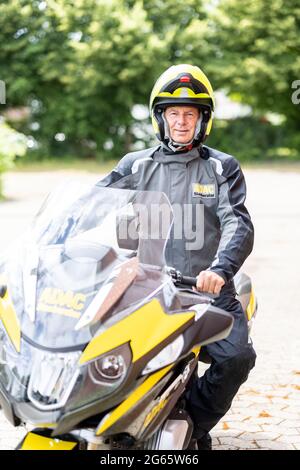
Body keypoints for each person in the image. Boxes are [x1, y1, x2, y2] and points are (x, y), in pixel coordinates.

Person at [98, 64, 256, 450]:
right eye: (174, 112)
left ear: (203, 120)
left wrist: (219, 270)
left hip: (206, 290)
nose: (182, 121)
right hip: (146, 287)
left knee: (236, 357)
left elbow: (238, 223)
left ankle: (194, 423)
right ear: (161, 118)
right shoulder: (135, 164)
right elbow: (93, 207)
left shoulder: (221, 166)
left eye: (190, 113)